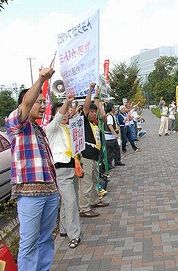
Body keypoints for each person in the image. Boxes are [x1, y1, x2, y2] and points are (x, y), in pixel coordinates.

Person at [5, 67, 59, 271]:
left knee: (46, 239)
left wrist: (55, 188)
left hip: (50, 192)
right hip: (30, 194)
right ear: (25, 102)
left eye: (45, 102)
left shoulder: (38, 129)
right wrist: (41, 79)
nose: (43, 105)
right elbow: (27, 102)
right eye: (40, 101)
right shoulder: (16, 124)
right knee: (28, 244)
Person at [45, 93, 81, 249]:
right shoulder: (51, 129)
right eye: (62, 112)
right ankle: (75, 235)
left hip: (72, 167)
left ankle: (65, 230)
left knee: (70, 201)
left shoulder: (70, 128)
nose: (65, 114)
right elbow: (59, 117)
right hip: (60, 170)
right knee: (71, 202)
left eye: (67, 111)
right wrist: (67, 102)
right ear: (54, 115)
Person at [78, 83, 109, 218]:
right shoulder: (83, 122)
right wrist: (90, 90)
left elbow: (100, 109)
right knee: (86, 183)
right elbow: (86, 107)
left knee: (95, 181)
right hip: (86, 156)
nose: (94, 113)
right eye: (92, 111)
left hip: (94, 156)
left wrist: (97, 94)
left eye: (95, 111)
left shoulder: (94, 123)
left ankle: (95, 200)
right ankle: (84, 208)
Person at [104, 102, 123, 167]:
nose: (115, 108)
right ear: (112, 108)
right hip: (109, 137)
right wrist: (115, 134)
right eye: (114, 107)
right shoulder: (109, 116)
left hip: (112, 137)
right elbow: (110, 125)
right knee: (110, 152)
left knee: (116, 149)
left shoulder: (112, 115)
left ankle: (117, 161)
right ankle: (109, 164)